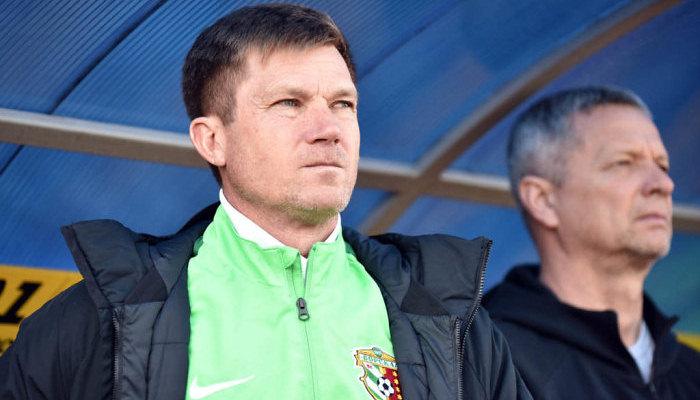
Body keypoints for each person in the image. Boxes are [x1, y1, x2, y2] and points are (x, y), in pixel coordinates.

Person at [0, 4, 530, 399]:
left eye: (343, 104)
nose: (328, 128)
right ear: (213, 140)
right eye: (289, 103)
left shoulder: (448, 319)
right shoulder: (102, 321)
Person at [483, 86, 700, 399]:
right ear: (543, 200)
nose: (664, 184)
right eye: (624, 163)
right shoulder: (486, 365)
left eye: (662, 165)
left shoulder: (691, 371)